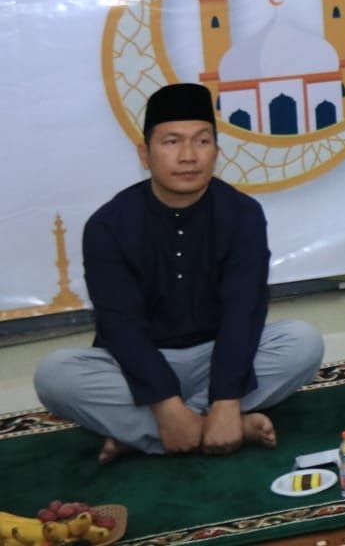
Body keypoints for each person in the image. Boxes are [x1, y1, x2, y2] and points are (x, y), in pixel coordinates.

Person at [33, 82, 324, 463]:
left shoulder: (242, 214)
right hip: (139, 364)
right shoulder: (108, 225)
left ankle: (149, 432)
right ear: (144, 154)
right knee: (55, 375)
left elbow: (243, 311)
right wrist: (165, 403)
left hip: (216, 355)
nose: (188, 156)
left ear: (216, 152)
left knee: (302, 342)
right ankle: (213, 427)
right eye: (171, 142)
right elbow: (120, 325)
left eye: (202, 141)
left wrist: (225, 398)